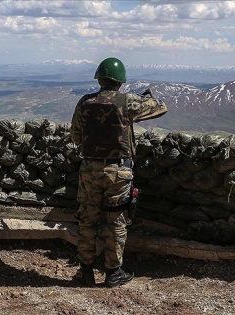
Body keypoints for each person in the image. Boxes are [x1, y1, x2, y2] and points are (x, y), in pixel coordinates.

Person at [70, 57, 167, 288]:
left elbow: (75, 136)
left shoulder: (85, 102)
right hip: (118, 172)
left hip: (89, 170)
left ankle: (85, 272)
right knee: (116, 221)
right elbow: (162, 107)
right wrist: (147, 99)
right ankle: (113, 273)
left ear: (99, 78)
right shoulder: (128, 102)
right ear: (120, 81)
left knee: (87, 219)